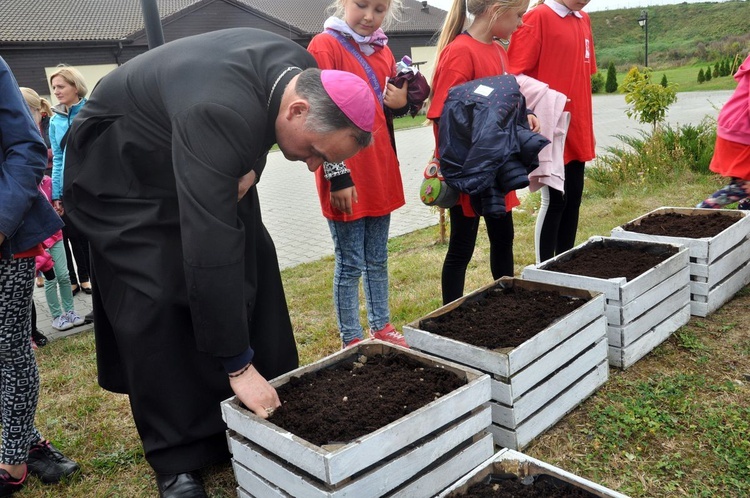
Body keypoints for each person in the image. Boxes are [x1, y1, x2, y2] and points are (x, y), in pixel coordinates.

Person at [62, 28, 376, 498]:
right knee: (159, 291)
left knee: (255, 262)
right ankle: (177, 454)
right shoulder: (219, 110)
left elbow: (260, 132)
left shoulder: (298, 70)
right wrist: (236, 364)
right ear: (298, 110)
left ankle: (254, 414)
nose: (312, 166)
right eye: (314, 152)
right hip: (124, 170)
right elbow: (209, 247)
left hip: (193, 145)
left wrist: (254, 166)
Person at [307, 0, 425, 348]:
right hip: (346, 173)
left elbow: (386, 110)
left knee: (377, 257)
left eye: (379, 8)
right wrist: (337, 174)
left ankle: (381, 325)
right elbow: (316, 115)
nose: (370, 16)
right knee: (350, 262)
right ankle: (352, 338)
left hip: (379, 169)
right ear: (343, 3)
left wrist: (401, 103)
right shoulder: (324, 46)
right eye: (361, 5)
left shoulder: (383, 51)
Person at [0, 56, 81, 497]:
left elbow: (27, 148)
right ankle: (28, 441)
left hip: (5, 237)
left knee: (8, 348)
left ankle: (14, 460)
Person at [428, 0, 537, 305]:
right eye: (517, 15)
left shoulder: (499, 51)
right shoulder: (460, 52)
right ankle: (450, 314)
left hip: (498, 170)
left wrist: (521, 117)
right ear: (496, 10)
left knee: (504, 239)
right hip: (470, 172)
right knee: (462, 246)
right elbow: (443, 116)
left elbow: (503, 103)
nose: (520, 24)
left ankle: (506, 305)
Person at [507, 0, 596, 262]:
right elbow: (513, 76)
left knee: (573, 202)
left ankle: (565, 265)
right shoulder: (537, 18)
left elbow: (583, 77)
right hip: (552, 128)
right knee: (555, 202)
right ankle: (544, 270)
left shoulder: (583, 20)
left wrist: (588, 128)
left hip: (578, 129)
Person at [21, 87, 86, 332]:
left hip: (54, 234)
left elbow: (54, 160)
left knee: (63, 275)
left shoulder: (47, 183)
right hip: (38, 236)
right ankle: (57, 315)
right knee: (48, 279)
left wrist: (56, 202)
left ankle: (70, 311)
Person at [48, 65, 93, 297]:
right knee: (74, 235)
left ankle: (94, 279)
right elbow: (57, 160)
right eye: (54, 87)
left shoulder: (91, 112)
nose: (56, 91)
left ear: (76, 87)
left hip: (91, 187)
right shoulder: (55, 121)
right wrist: (57, 194)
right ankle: (81, 278)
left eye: (61, 86)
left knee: (93, 239)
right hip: (68, 189)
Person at [697, 53, 750, 210]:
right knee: (744, 186)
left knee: (745, 185)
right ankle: (704, 209)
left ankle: (745, 223)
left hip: (734, 127)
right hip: (742, 132)